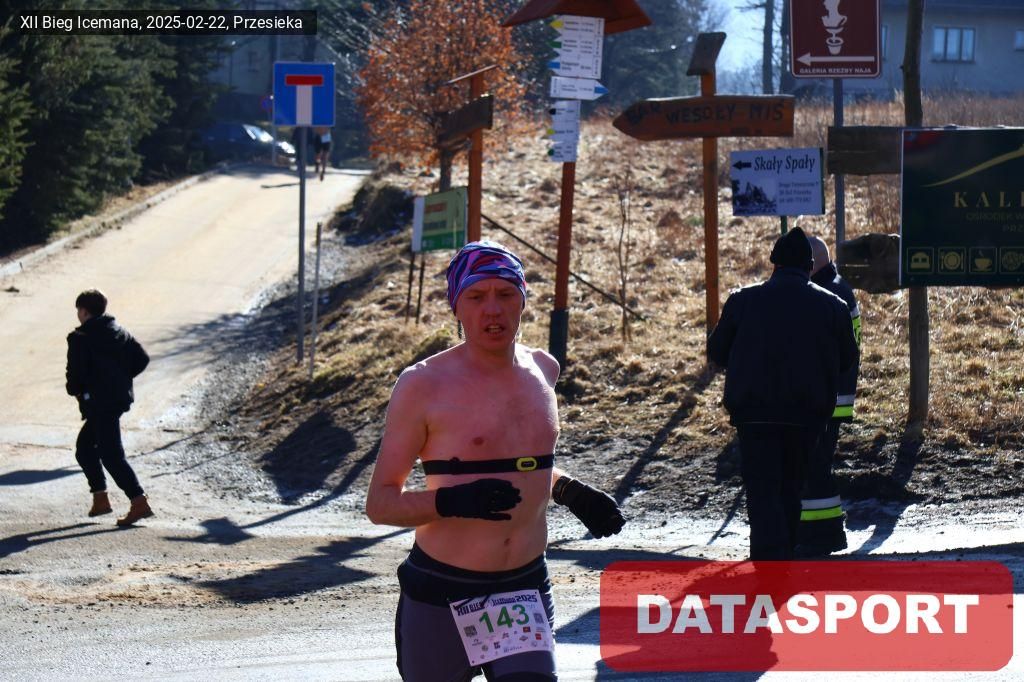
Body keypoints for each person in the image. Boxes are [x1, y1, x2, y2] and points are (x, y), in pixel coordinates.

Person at [366, 241, 625, 681]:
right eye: (476, 296)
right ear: (456, 306)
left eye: (505, 294)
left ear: (523, 300)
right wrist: (451, 502)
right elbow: (381, 504)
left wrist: (569, 491)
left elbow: (521, 466)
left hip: (522, 589)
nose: (493, 309)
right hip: (442, 593)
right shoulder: (422, 385)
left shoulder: (543, 370)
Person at [707, 228, 858, 560]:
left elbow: (717, 352)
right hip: (806, 416)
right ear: (809, 267)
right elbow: (848, 359)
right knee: (792, 487)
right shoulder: (832, 305)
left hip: (753, 415)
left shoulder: (742, 300)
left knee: (762, 490)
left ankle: (766, 559)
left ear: (774, 263)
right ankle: (784, 555)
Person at [796, 235, 862, 556]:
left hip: (825, 398)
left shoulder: (828, 294)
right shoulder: (838, 288)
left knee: (814, 466)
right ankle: (823, 531)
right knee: (816, 464)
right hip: (834, 396)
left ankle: (823, 534)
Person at [65, 289, 154, 527]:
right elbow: (142, 359)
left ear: (84, 311)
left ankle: (138, 501)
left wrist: (76, 389)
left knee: (111, 455)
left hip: (98, 403)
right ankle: (100, 498)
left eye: (79, 310)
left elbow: (75, 375)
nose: (78, 314)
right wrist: (120, 380)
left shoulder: (81, 338)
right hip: (116, 399)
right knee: (85, 449)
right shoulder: (119, 331)